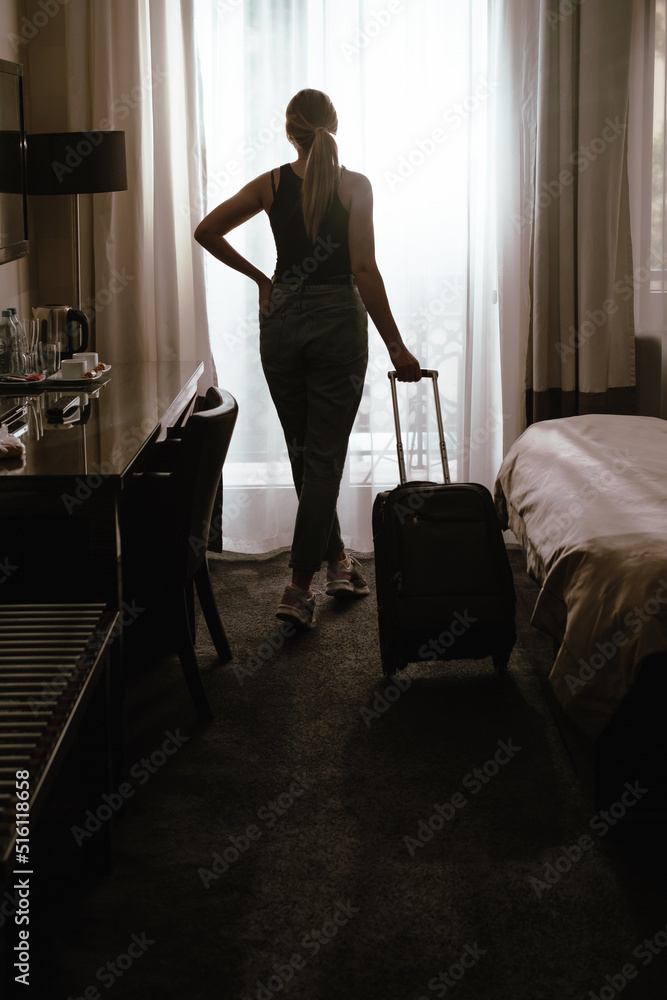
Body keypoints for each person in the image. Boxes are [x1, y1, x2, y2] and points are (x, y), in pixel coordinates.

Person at [195, 88, 421, 630]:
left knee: (306, 454)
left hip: (282, 320)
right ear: (334, 126)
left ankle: (338, 563)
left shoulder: (271, 183)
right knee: (321, 457)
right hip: (338, 319)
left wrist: (262, 280)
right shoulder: (355, 185)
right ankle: (298, 588)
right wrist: (396, 345)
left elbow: (206, 231)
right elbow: (363, 269)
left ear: (289, 132)